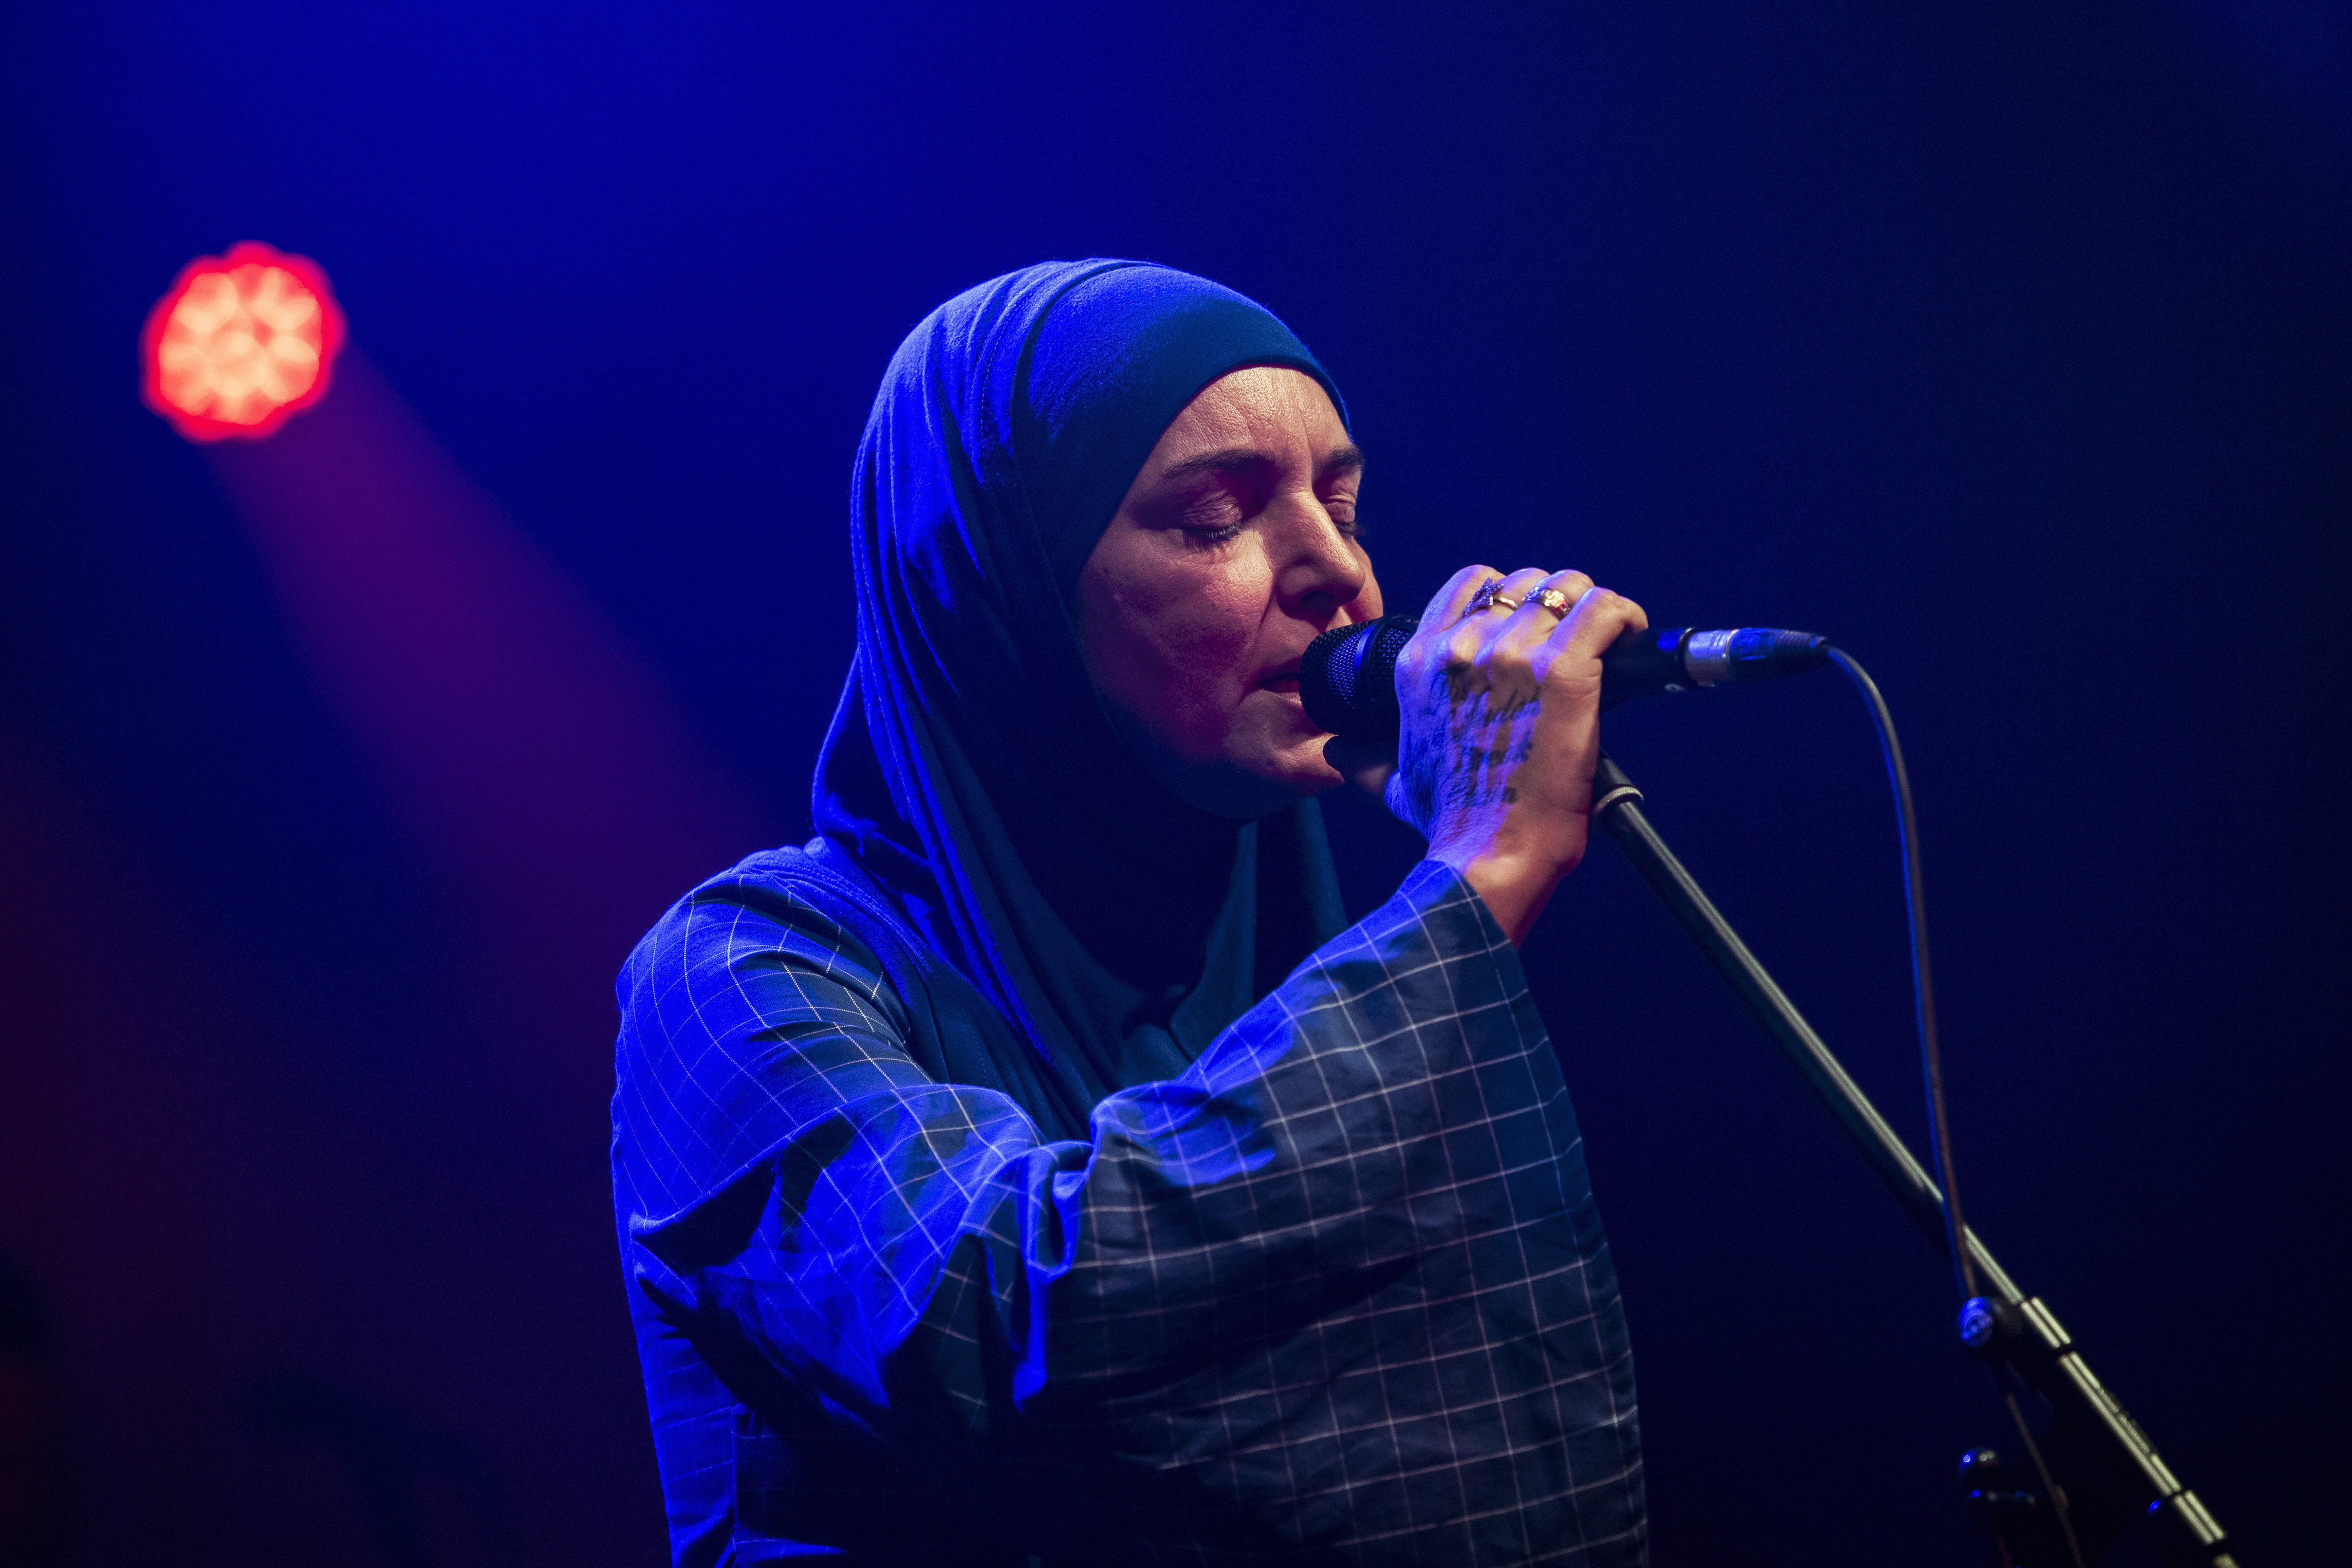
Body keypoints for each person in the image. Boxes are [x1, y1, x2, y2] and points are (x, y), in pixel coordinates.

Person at [611, 260, 1649, 1566]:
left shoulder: (1298, 948)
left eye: (1343, 504)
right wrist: (1482, 877)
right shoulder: (735, 975)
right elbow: (1004, 1334)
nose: (1339, 570)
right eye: (1217, 516)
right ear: (1004, 593)